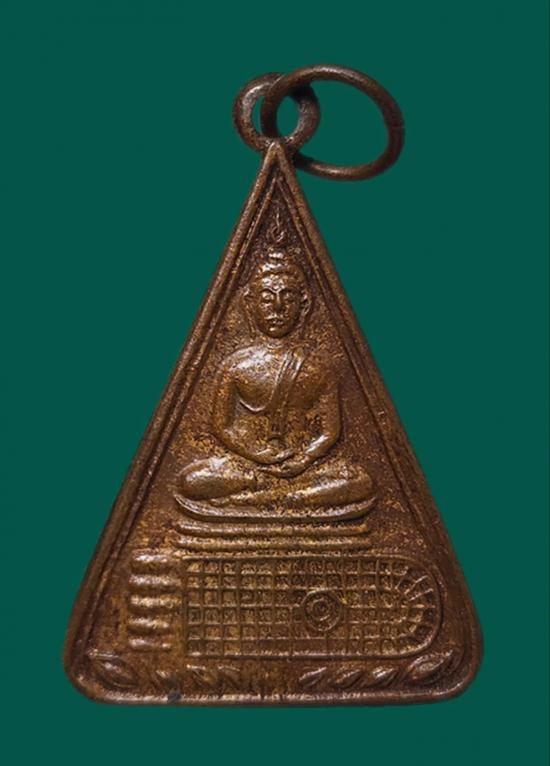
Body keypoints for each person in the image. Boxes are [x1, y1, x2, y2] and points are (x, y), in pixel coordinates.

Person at [179, 249, 373, 510]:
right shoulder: (235, 365)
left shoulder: (318, 366)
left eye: (288, 298)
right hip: (248, 468)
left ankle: (267, 499)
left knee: (360, 481)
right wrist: (255, 454)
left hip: (304, 469)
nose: (278, 307)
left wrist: (304, 459)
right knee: (192, 480)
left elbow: (330, 431)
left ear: (303, 305)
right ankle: (285, 496)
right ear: (250, 304)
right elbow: (222, 427)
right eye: (267, 299)